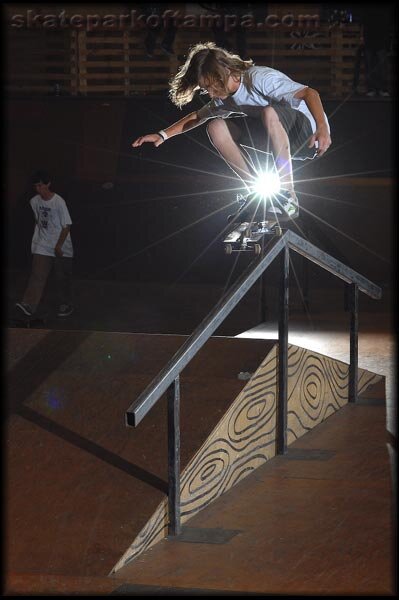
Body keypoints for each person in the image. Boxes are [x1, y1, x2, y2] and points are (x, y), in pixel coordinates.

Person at [132, 42, 331, 220]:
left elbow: (309, 93)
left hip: (308, 132)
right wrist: (162, 135)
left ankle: (288, 197)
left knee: (269, 112)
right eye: (205, 89)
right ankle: (257, 194)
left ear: (224, 72)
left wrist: (322, 129)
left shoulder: (258, 77)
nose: (210, 93)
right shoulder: (223, 98)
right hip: (279, 137)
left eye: (211, 86)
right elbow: (197, 117)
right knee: (216, 126)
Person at [15, 171, 74, 318]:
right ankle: (29, 305)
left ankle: (65, 303)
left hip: (61, 245)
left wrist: (59, 246)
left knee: (61, 277)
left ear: (48, 184)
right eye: (36, 186)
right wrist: (38, 240)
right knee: (37, 275)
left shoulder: (58, 201)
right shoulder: (34, 201)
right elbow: (38, 220)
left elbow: (67, 226)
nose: (38, 189)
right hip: (43, 244)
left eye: (41, 185)